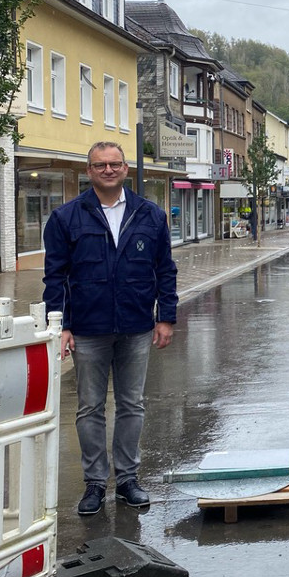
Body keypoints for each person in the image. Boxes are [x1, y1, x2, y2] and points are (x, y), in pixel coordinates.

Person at [43, 141, 178, 516]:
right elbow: (55, 276)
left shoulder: (150, 215)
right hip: (87, 328)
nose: (108, 170)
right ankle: (94, 483)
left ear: (125, 168)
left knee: (132, 404)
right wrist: (61, 325)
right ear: (89, 171)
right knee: (90, 408)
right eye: (100, 165)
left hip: (136, 325)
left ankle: (128, 479)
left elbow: (165, 270)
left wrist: (166, 316)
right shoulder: (66, 218)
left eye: (115, 164)